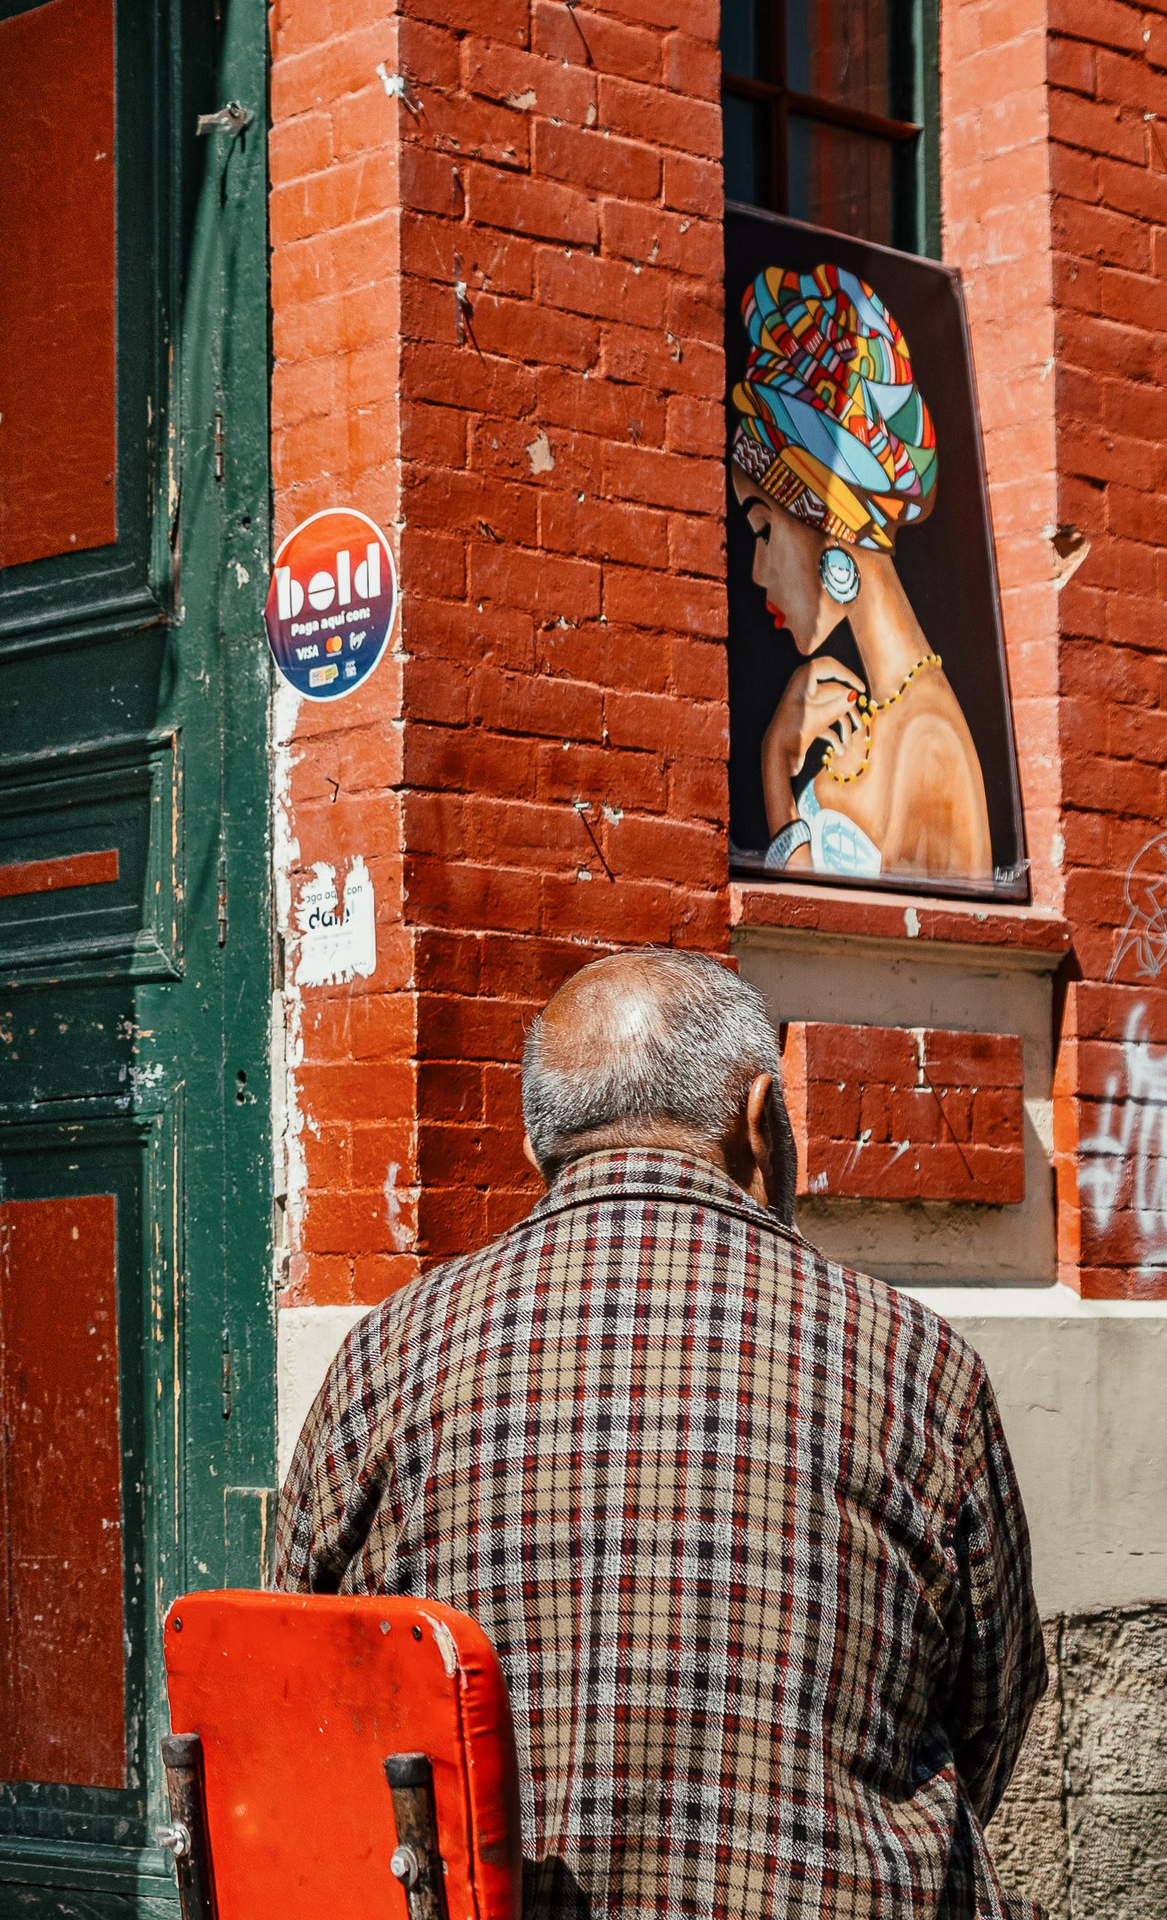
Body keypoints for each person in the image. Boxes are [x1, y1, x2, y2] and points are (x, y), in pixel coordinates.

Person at [270, 950, 1042, 1918]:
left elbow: (297, 1685)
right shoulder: (919, 1364)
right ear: (762, 1121)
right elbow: (989, 1713)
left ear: (538, 1152)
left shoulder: (387, 1351)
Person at [729, 264, 992, 885]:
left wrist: (776, 768)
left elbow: (845, 953)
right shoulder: (877, 721)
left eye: (765, 530)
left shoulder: (926, 738)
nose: (758, 570)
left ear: (834, 520)